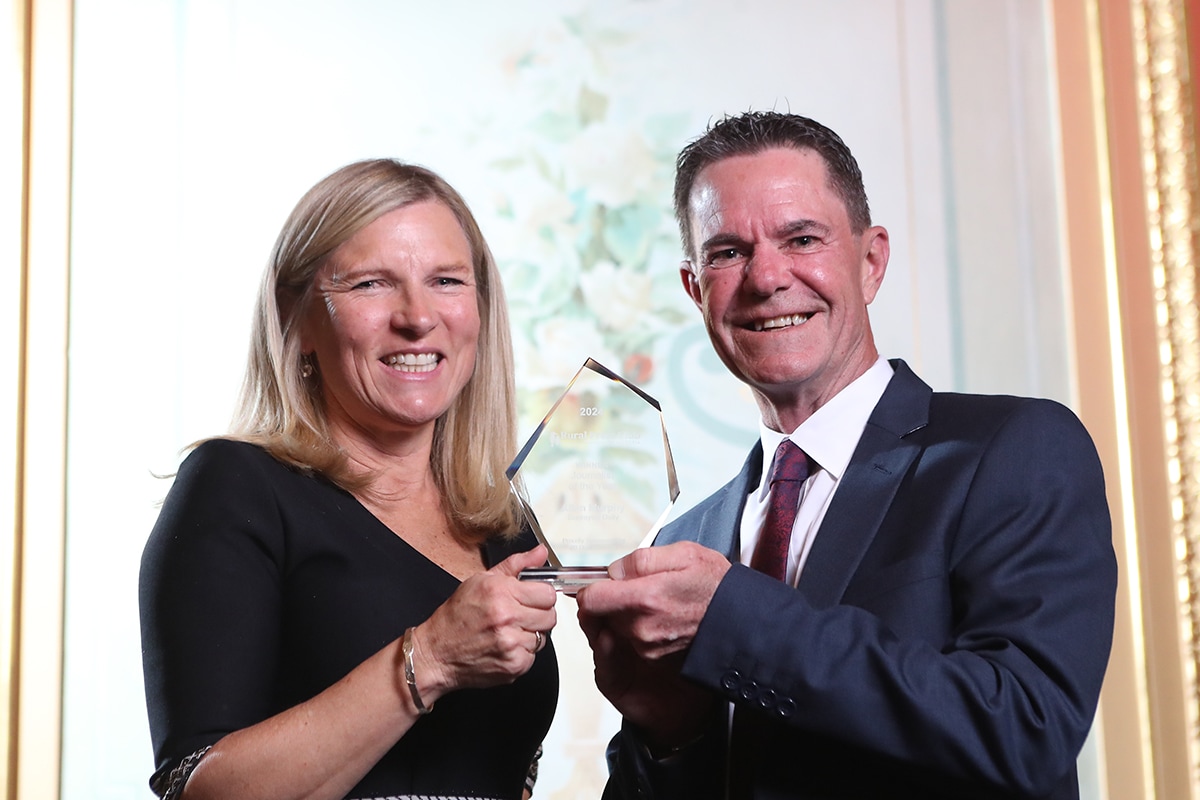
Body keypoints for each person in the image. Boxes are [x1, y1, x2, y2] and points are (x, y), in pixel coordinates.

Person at [575, 111, 1116, 799]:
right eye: (727, 252)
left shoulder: (1014, 451)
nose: (767, 277)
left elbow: (1027, 730)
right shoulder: (688, 539)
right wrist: (670, 734)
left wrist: (736, 617)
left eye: (801, 239)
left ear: (870, 261)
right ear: (695, 288)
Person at [140, 159, 559, 800]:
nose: (418, 317)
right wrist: (430, 659)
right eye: (370, 285)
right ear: (297, 318)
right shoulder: (237, 487)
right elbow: (197, 790)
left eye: (446, 280)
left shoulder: (504, 524)